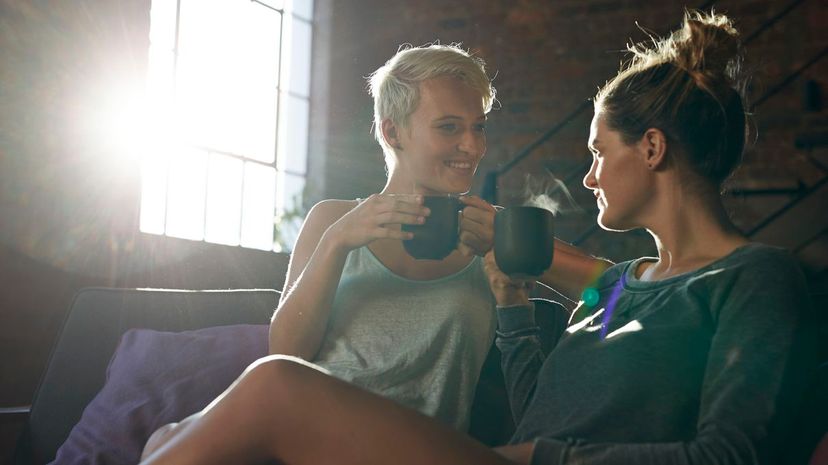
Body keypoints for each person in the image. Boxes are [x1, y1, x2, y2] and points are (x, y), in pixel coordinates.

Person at [140, 11, 816, 465]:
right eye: (449, 128)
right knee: (212, 417)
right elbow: (550, 397)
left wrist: (545, 454)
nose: (585, 176)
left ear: (653, 147)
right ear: (392, 130)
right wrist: (516, 309)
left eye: (598, 151)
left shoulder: (751, 277)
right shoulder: (633, 287)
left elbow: (729, 452)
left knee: (272, 385)